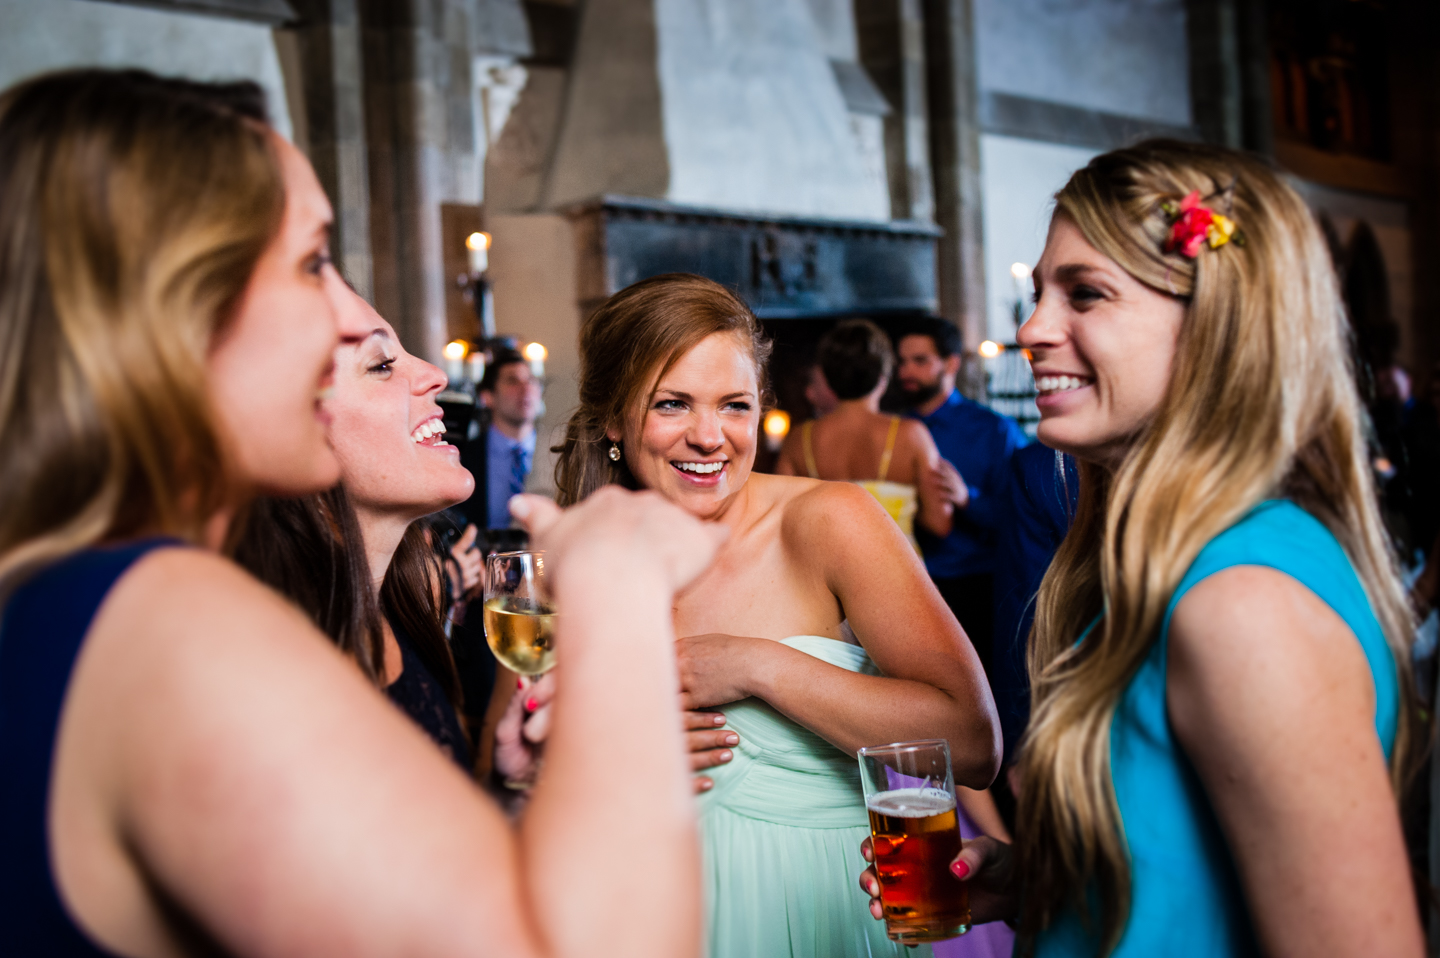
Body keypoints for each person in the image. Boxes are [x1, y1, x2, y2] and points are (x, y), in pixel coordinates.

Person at [0, 68, 716, 957]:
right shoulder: (166, 617)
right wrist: (615, 585)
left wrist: (517, 804)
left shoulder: (61, 594)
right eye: (311, 262)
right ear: (176, 312)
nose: (345, 314)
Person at [861, 139, 1424, 957]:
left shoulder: (1245, 601)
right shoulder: (1163, 568)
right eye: (1037, 293)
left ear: (1217, 326)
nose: (1031, 329)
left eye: (1085, 294)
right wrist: (1037, 883)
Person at [553, 272, 1001, 958]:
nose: (711, 437)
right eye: (672, 404)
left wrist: (754, 664)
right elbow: (508, 774)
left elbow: (973, 742)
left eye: (735, 405)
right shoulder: (569, 558)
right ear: (615, 418)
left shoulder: (830, 519)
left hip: (817, 909)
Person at [895, 317, 1027, 672]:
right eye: (902, 361)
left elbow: (1020, 516)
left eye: (919, 361)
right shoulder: (891, 430)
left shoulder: (994, 430)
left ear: (950, 363)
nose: (906, 370)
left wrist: (967, 499)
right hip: (904, 587)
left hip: (975, 588)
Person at [776, 318, 952, 549]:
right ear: (884, 373)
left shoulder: (800, 439)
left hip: (827, 576)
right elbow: (939, 523)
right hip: (897, 572)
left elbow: (781, 520)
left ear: (829, 377)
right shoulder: (911, 435)